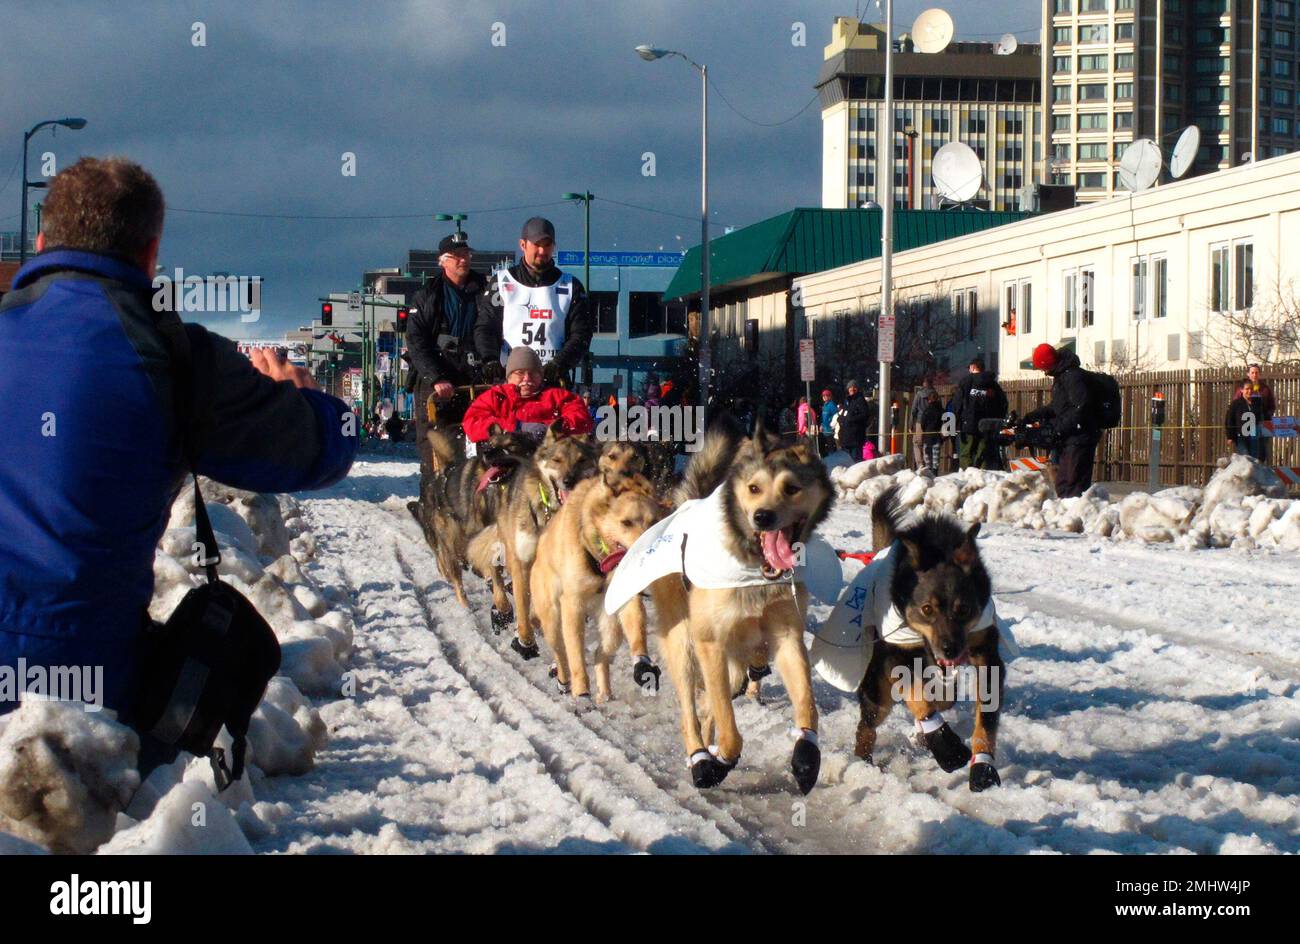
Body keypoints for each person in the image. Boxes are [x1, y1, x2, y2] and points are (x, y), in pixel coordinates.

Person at [0, 157, 357, 719]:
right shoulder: (175, 355)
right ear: (151, 254)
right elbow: (323, 450)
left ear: (42, 241)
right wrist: (304, 397)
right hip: (87, 682)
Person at [475, 217, 594, 387]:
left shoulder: (570, 286)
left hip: (552, 379)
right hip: (510, 378)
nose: (542, 250)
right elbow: (486, 327)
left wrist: (559, 363)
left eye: (547, 245)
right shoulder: (502, 282)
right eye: (536, 244)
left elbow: (581, 334)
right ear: (523, 245)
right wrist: (490, 359)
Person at [407, 231, 489, 477]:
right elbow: (416, 340)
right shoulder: (427, 295)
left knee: (482, 441)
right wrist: (435, 377)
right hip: (437, 379)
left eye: (466, 254)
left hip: (475, 377)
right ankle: (433, 496)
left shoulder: (486, 291)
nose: (463, 260)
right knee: (436, 445)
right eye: (455, 256)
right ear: (442, 261)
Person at [462, 346, 593, 444]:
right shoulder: (496, 396)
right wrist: (514, 427)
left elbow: (582, 419)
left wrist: (551, 428)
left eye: (533, 373)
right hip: (506, 454)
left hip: (548, 455)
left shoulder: (555, 396)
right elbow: (472, 424)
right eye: (520, 373)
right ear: (509, 377)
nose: (527, 379)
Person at [1024, 343, 1101, 498]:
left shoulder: (1072, 377)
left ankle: (1076, 516)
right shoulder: (1062, 376)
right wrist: (1034, 415)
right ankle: (1068, 512)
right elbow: (1058, 406)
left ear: (1048, 364)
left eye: (1042, 368)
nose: (1043, 372)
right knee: (1063, 483)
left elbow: (1080, 408)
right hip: (1070, 437)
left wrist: (1058, 428)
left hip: (1080, 438)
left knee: (1071, 484)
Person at [954, 357, 1008, 470]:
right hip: (988, 425)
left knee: (966, 454)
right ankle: (983, 479)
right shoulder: (993, 384)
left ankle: (967, 479)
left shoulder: (966, 382)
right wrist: (998, 420)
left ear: (973, 367)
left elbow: (957, 403)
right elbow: (1003, 403)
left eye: (969, 367)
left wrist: (957, 420)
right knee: (983, 454)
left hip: (968, 424)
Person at [1243, 363, 1277, 463]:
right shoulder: (1243, 389)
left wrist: (1267, 416)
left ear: (1259, 374)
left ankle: (1261, 472)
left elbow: (1272, 405)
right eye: (1252, 372)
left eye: (1256, 372)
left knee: (1262, 450)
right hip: (1247, 424)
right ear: (1248, 374)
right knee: (1249, 451)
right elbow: (1237, 404)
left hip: (1263, 423)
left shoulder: (1265, 389)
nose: (1254, 375)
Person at [1225, 380, 1260, 458]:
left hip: (1254, 436)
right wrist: (1230, 436)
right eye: (1247, 389)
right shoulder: (1236, 404)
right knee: (1245, 458)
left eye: (1251, 389)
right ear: (1242, 390)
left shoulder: (1257, 403)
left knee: (1254, 459)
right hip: (1241, 437)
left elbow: (1262, 418)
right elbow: (1229, 420)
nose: (1249, 391)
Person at [839, 379, 870, 461]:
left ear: (857, 389)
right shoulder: (847, 401)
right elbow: (845, 414)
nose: (852, 389)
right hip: (847, 437)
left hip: (856, 437)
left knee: (856, 461)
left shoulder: (860, 400)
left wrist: (851, 419)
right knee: (848, 461)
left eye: (854, 387)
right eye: (850, 387)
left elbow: (865, 415)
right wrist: (841, 419)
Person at [909, 377, 936, 471]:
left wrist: (911, 424)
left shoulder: (919, 394)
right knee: (928, 444)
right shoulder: (935, 394)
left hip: (919, 422)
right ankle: (928, 465)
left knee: (917, 444)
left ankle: (920, 465)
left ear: (924, 384)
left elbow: (913, 410)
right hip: (932, 423)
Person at [920, 390, 945, 475]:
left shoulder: (926, 410)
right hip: (937, 435)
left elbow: (922, 424)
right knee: (936, 457)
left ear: (929, 400)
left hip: (927, 436)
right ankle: (935, 472)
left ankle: (929, 472)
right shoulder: (942, 410)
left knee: (927, 457)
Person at [819, 388, 838, 454]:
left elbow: (836, 416)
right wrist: (821, 425)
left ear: (830, 396)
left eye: (826, 395)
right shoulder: (824, 405)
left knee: (831, 446)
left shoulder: (832, 405)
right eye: (823, 396)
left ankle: (833, 459)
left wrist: (831, 423)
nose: (824, 397)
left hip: (830, 430)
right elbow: (823, 417)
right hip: (825, 430)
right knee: (827, 446)